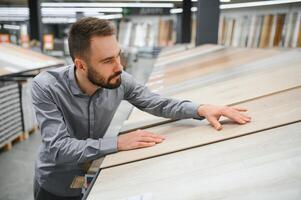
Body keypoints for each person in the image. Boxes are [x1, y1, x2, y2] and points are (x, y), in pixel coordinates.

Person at [32, 17, 251, 200]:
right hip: (54, 185)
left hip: (90, 179)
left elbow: (158, 103)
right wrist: (117, 143)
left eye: (118, 55)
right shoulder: (47, 87)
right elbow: (58, 149)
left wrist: (202, 109)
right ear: (81, 65)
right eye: (108, 60)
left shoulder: (120, 80)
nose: (120, 66)